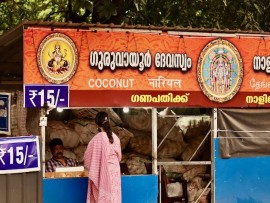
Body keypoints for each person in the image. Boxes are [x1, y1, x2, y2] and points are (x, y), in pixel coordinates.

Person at [84, 111, 122, 203]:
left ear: (97, 124)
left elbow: (87, 157)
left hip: (102, 173)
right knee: (114, 197)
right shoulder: (116, 138)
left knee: (102, 197)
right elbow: (119, 157)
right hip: (115, 172)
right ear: (109, 122)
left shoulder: (97, 138)